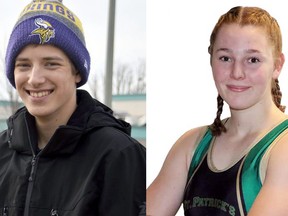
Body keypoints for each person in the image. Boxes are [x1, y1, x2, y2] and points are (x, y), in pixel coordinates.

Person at [0, 0, 146, 215]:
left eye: (51, 63)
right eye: (24, 65)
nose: (35, 79)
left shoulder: (119, 155)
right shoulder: (3, 150)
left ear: (77, 72)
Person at [147, 6, 288, 216]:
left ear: (277, 65)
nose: (237, 72)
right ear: (211, 60)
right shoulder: (191, 145)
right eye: (225, 58)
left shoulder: (282, 148)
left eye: (253, 60)